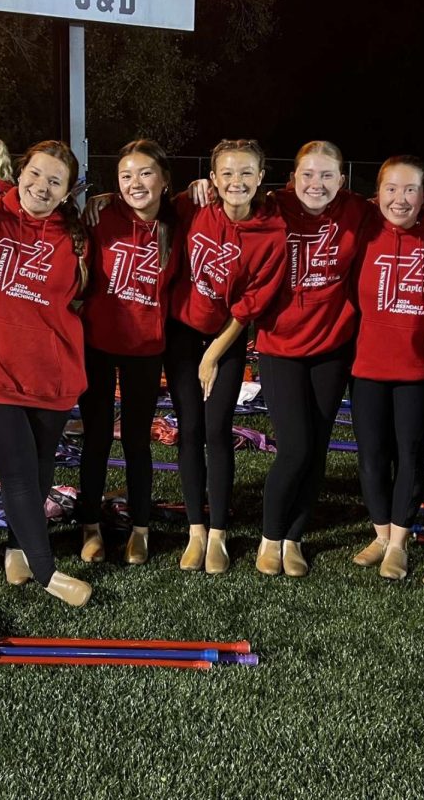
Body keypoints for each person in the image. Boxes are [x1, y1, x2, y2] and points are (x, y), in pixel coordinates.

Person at [0, 139, 92, 606]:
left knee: (39, 471)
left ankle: (16, 549)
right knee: (16, 472)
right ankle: (46, 570)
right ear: (19, 172)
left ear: (68, 191)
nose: (41, 186)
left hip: (53, 372)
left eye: (55, 181)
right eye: (35, 174)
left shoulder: (75, 232)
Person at [166, 139, 286, 574]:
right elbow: (143, 204)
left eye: (246, 173)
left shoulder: (272, 231)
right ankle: (195, 530)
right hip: (181, 332)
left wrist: (213, 354)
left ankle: (218, 533)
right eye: (227, 173)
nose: (237, 182)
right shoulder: (191, 207)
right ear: (213, 179)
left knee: (217, 429)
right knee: (189, 428)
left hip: (227, 336)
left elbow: (250, 305)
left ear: (261, 177)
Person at [251, 141, 369, 577]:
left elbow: (406, 207)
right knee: (294, 445)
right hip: (279, 344)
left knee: (317, 446)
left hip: (332, 346)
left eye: (326, 176)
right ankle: (270, 536)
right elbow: (218, 204)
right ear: (292, 177)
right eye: (307, 175)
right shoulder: (271, 206)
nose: (315, 184)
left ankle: (294, 537)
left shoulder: (358, 210)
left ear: (342, 181)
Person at [76, 139, 180, 566]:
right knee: (97, 439)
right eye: (125, 175)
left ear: (164, 180)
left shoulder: (181, 220)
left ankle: (140, 528)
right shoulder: (101, 216)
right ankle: (90, 526)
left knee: (137, 441)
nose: (135, 183)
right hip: (97, 343)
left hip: (146, 347)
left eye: (145, 173)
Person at [350, 156, 424, 580]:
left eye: (410, 189)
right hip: (367, 364)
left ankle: (399, 542)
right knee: (372, 454)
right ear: (378, 192)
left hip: (419, 369)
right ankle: (379, 533)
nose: (400, 198)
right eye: (391, 188)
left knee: (409, 453)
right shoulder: (363, 227)